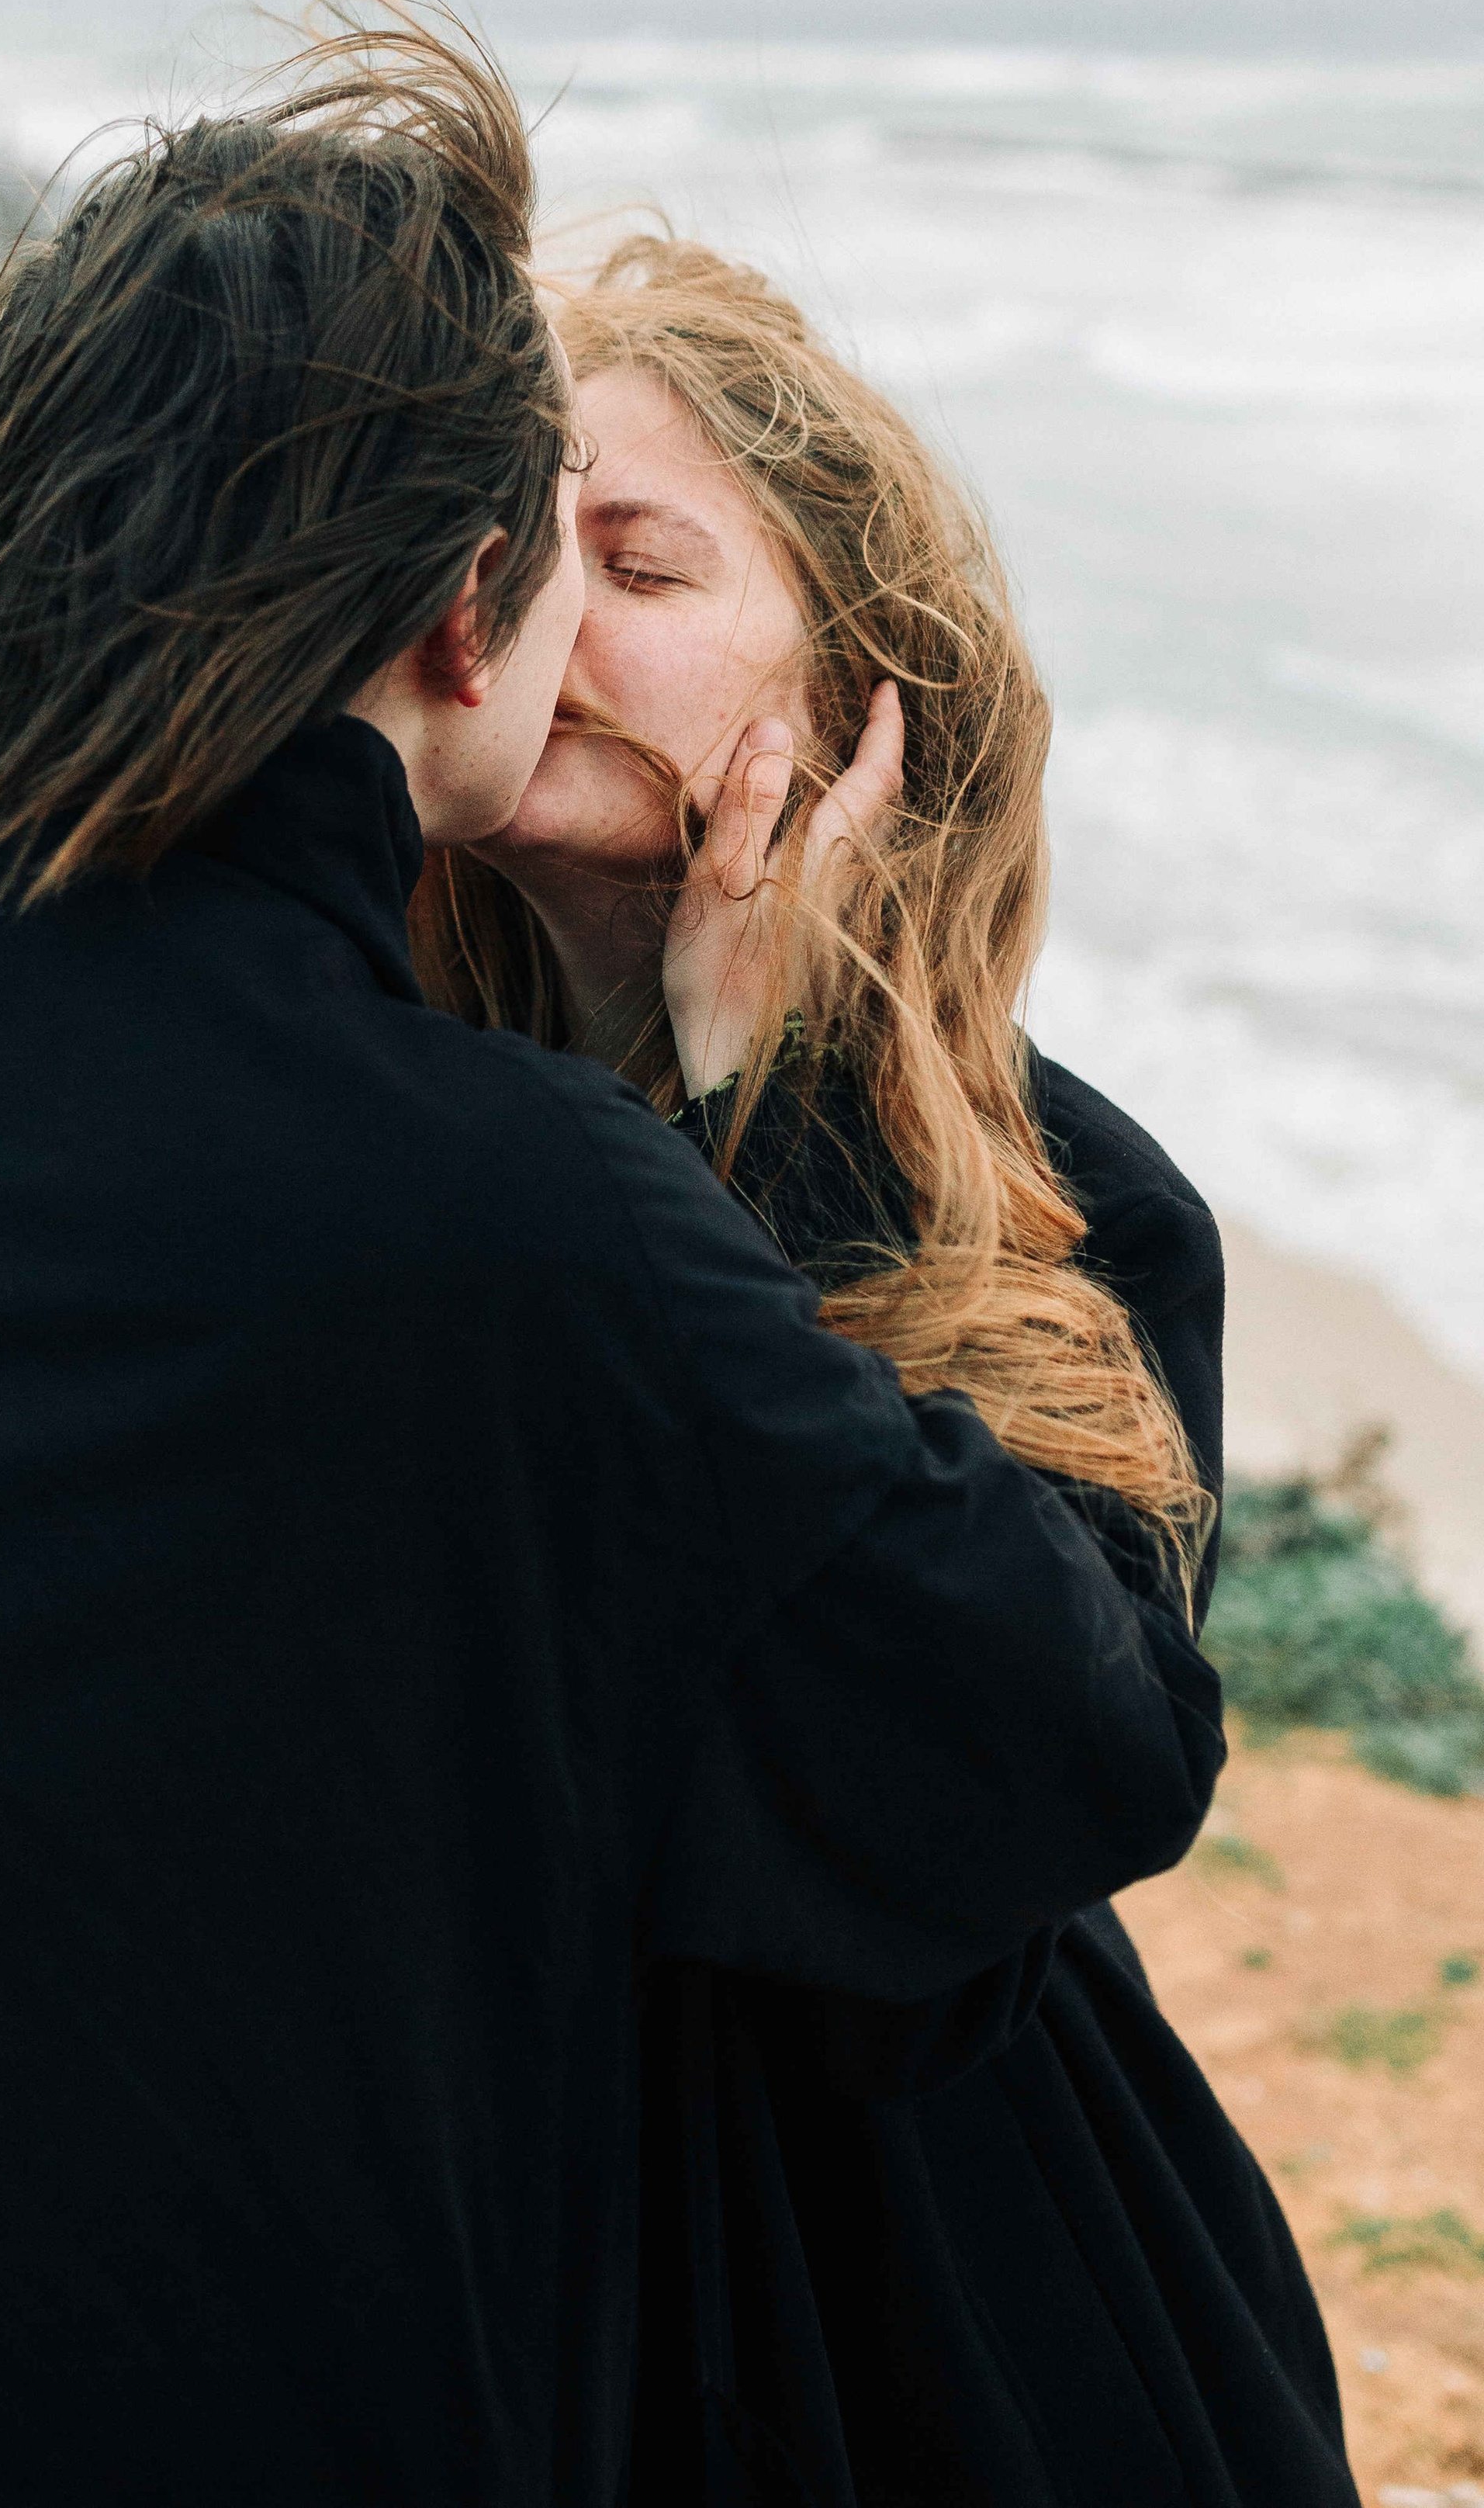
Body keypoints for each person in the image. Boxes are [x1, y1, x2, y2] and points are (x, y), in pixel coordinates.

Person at [0, 22, 1219, 2508]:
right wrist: (757, 1127)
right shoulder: (455, 1168)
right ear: (454, 620)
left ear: (867, 695)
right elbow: (993, 1745)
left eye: (665, 570)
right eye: (568, 558)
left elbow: (945, 1907)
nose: (590, 642)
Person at [414, 234, 1353, 2506]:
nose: (551, 616)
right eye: (514, 552)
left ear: (860, 694)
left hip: (943, 2291)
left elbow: (975, 1826)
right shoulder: (370, 1114)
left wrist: (760, 1115)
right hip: (469, 2261)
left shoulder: (1076, 1212)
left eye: (639, 560)